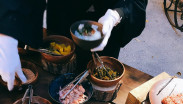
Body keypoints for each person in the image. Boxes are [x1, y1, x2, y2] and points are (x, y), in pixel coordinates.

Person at [0, 0, 148, 91]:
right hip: (63, 15)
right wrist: (8, 34)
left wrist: (116, 15)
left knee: (100, 81)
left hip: (107, 27)